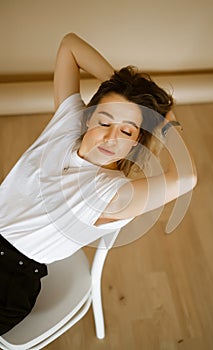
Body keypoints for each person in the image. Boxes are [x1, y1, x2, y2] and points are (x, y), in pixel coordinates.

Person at [0, 33, 197, 335]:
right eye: (105, 121)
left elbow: (187, 178)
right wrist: (121, 89)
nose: (110, 137)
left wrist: (165, 121)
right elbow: (69, 45)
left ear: (136, 145)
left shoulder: (113, 194)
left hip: (9, 278)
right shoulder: (68, 124)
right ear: (88, 118)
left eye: (127, 131)